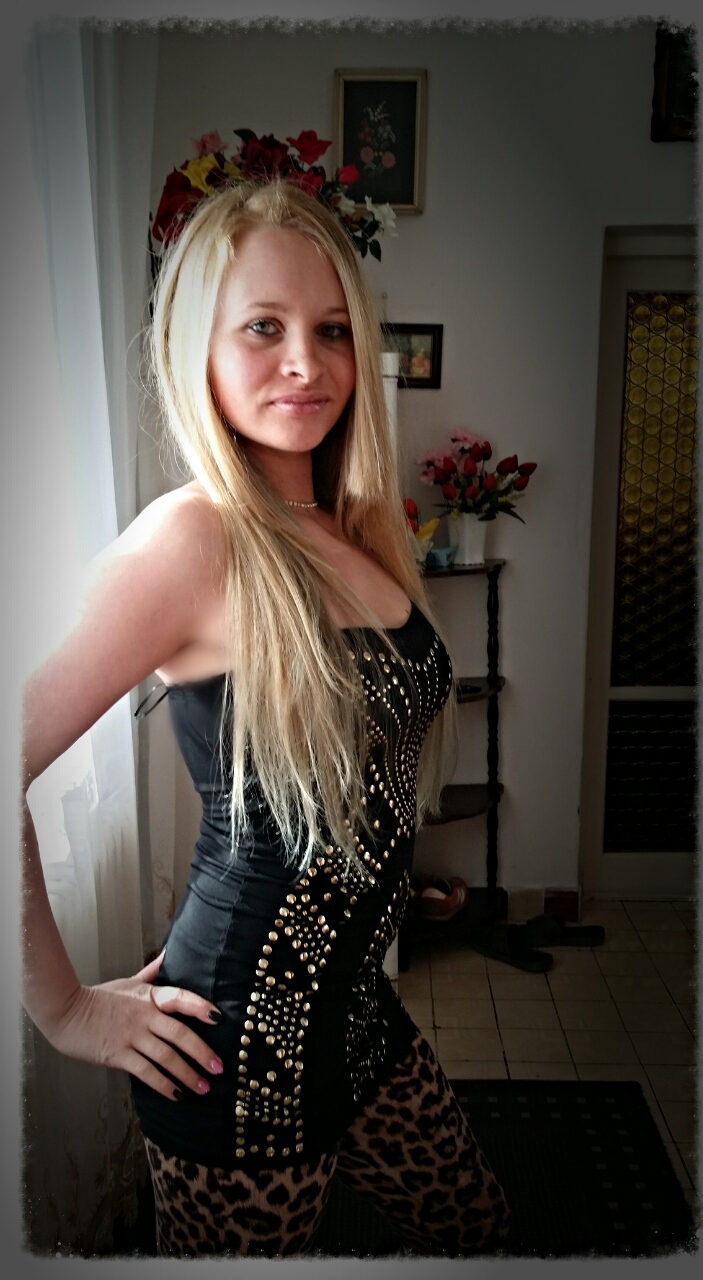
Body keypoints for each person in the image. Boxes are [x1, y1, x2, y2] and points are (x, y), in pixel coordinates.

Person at [21, 180, 510, 1258]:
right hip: (235, 1051)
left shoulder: (354, 524)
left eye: (332, 330)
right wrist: (65, 1010)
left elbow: (352, 772)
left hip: (360, 1013)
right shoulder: (192, 540)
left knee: (476, 1225)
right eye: (263, 327)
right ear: (197, 346)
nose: (306, 362)